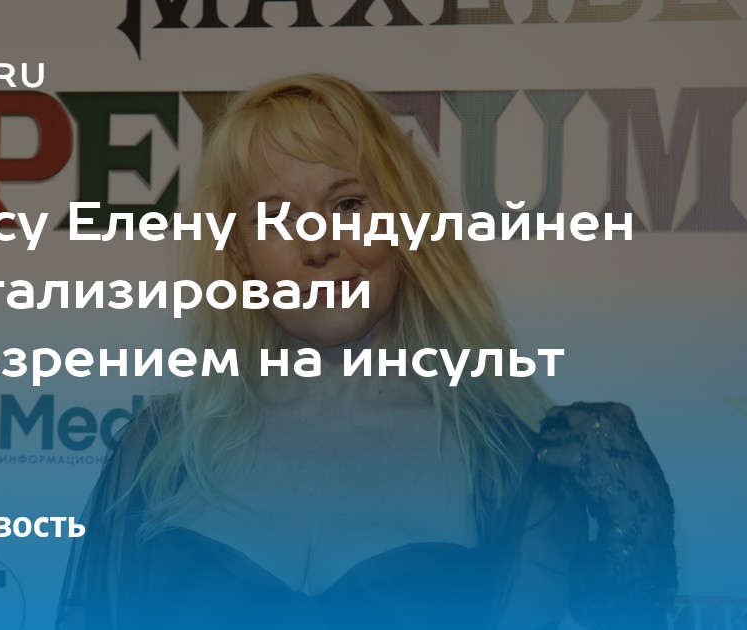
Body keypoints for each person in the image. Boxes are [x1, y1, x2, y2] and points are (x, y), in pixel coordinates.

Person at [56, 74, 676, 630]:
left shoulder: (505, 460)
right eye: (276, 218)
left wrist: (636, 543)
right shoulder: (159, 452)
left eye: (348, 204)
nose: (318, 244)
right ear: (239, 253)